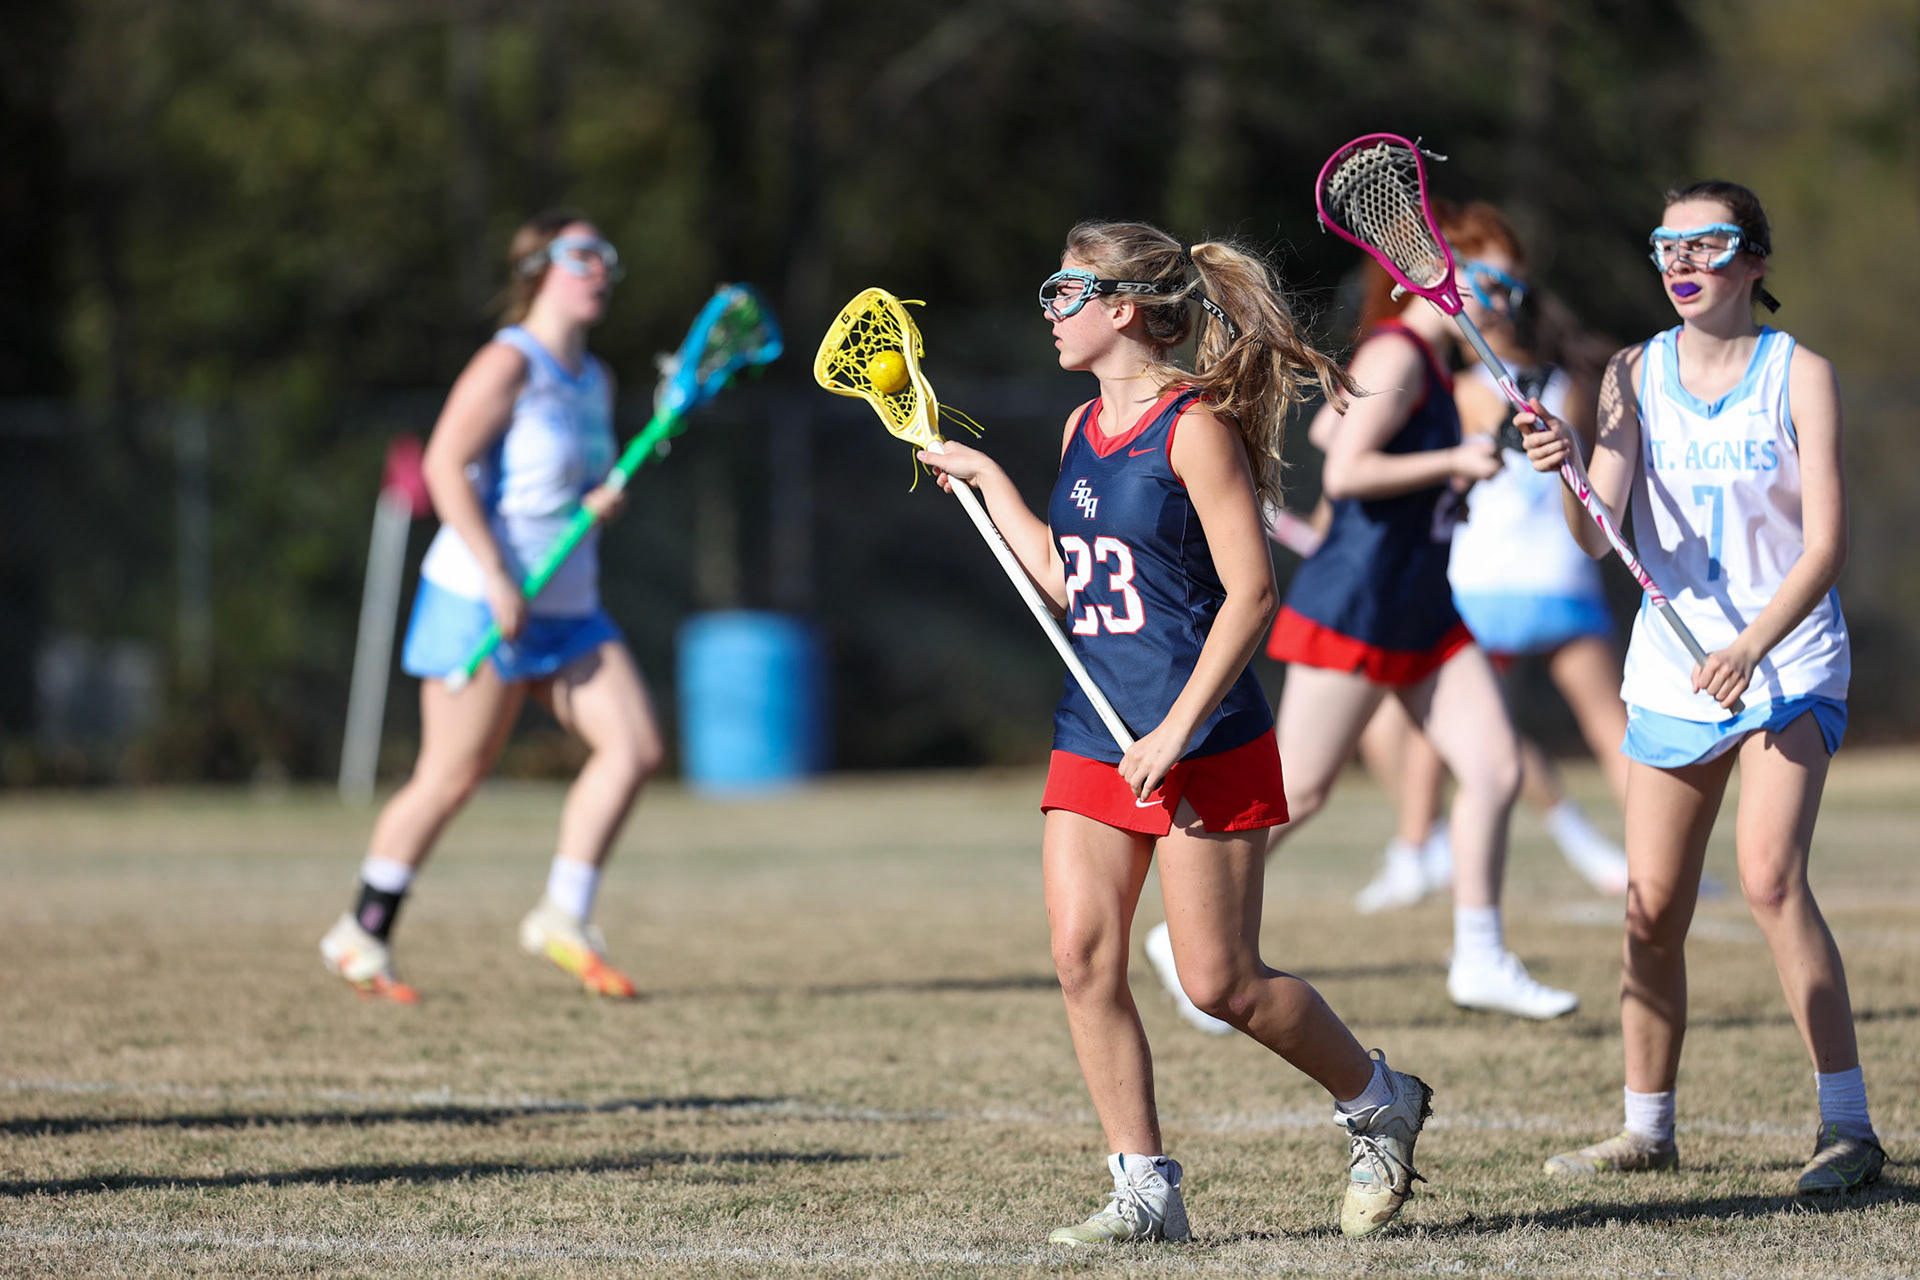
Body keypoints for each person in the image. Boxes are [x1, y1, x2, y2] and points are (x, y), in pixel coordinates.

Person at [918, 221, 1433, 1245]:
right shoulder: (1079, 426)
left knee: (1221, 982)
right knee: (1080, 956)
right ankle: (1144, 1189)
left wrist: (1176, 731)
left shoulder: (1194, 428)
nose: (1049, 311)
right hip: (1096, 727)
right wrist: (990, 482)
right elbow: (1066, 579)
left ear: (1122, 309)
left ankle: (1380, 1100)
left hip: (1203, 734)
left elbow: (1253, 594)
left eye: (1064, 291)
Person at [1525, 182, 1879, 1191]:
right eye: (1666, 246)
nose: (1681, 263)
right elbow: (1597, 535)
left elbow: (1825, 544)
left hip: (1787, 659)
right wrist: (1566, 469)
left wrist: (1753, 646)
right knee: (1650, 910)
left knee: (1769, 878)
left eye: (1706, 244)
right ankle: (1647, 1129)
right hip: (1674, 669)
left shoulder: (1799, 374)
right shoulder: (1631, 373)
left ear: (1754, 261)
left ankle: (1849, 1129)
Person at [319, 212, 664, 1003]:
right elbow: (444, 466)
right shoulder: (509, 363)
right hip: (483, 600)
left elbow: (567, 488)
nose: (602, 269)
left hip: (567, 606)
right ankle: (361, 931)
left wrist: (600, 499)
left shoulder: (596, 379)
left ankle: (561, 916)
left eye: (607, 256)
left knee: (635, 748)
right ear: (539, 268)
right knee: (450, 778)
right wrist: (498, 576)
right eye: (583, 255)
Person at [1227, 248, 1580, 1022]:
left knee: (1494, 769)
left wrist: (1446, 471)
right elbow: (1346, 471)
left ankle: (1480, 957)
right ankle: (1195, 935)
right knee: (1298, 791)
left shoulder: (1426, 364)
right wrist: (1453, 459)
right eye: (1487, 282)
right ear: (1434, 278)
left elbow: (1333, 426)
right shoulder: (1400, 352)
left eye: (1512, 287)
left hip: (1422, 604)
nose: (1502, 300)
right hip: (1361, 602)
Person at [1351, 203, 1632, 914]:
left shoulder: (1461, 390)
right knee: (1611, 730)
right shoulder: (1567, 385)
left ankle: (1414, 850)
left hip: (1483, 585)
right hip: (1565, 577)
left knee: (1435, 733)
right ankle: (1655, 854)